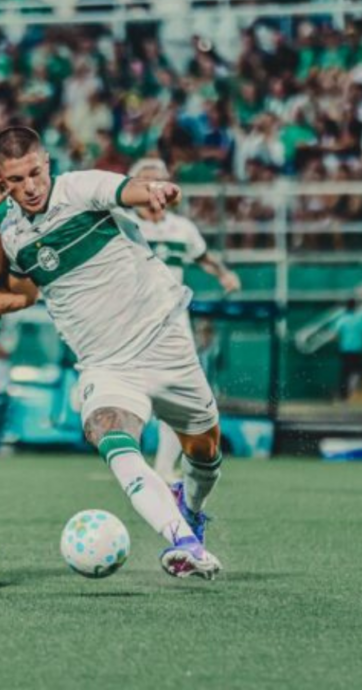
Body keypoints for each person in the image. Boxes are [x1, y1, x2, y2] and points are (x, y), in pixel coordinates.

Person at [0, 126, 224, 579]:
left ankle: (193, 509)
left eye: (34, 174)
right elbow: (5, 282)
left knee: (204, 451)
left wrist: (156, 190)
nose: (29, 187)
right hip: (106, 364)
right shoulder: (11, 231)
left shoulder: (81, 188)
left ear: (47, 164)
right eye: (16, 181)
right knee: (107, 432)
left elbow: (128, 189)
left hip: (165, 341)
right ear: (1, 183)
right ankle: (182, 541)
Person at [119, 158, 240, 483]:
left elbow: (203, 257)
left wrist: (224, 274)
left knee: (179, 395)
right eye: (148, 180)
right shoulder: (121, 222)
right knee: (131, 393)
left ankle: (162, 467)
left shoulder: (182, 228)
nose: (155, 186)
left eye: (160, 179)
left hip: (173, 321)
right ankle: (130, 462)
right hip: (130, 321)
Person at [334, 299, 362, 399]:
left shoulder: (342, 319)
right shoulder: (361, 319)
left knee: (345, 372)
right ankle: (358, 391)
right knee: (359, 370)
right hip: (358, 348)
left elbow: (337, 335)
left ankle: (344, 394)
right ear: (355, 307)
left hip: (345, 349)